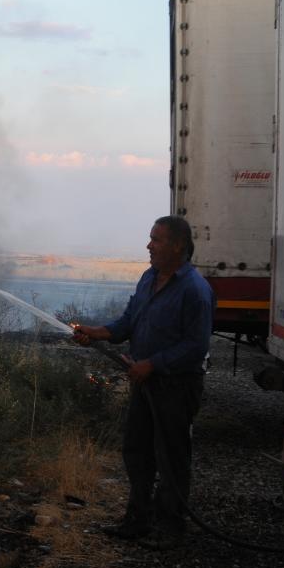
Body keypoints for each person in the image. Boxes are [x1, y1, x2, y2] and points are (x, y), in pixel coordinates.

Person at [72, 216, 214, 550]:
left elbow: (197, 346)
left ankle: (170, 528)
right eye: (150, 239)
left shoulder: (195, 291)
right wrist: (97, 332)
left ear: (177, 246)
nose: (149, 246)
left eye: (156, 240)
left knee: (171, 457)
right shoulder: (148, 278)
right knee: (137, 451)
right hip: (145, 383)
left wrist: (153, 364)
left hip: (176, 387)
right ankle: (137, 520)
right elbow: (128, 323)